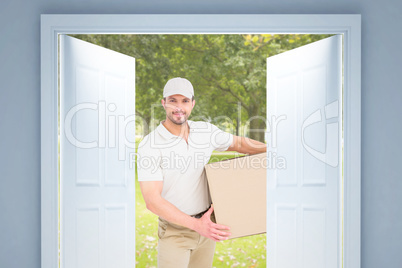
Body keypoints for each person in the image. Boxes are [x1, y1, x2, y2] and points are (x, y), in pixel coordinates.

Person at [136, 77, 267, 268]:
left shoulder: (205, 132)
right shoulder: (150, 144)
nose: (179, 107)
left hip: (207, 226)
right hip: (175, 232)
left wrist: (274, 150)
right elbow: (152, 200)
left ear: (193, 104)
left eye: (185, 101)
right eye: (173, 100)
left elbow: (239, 143)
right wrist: (196, 225)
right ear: (163, 103)